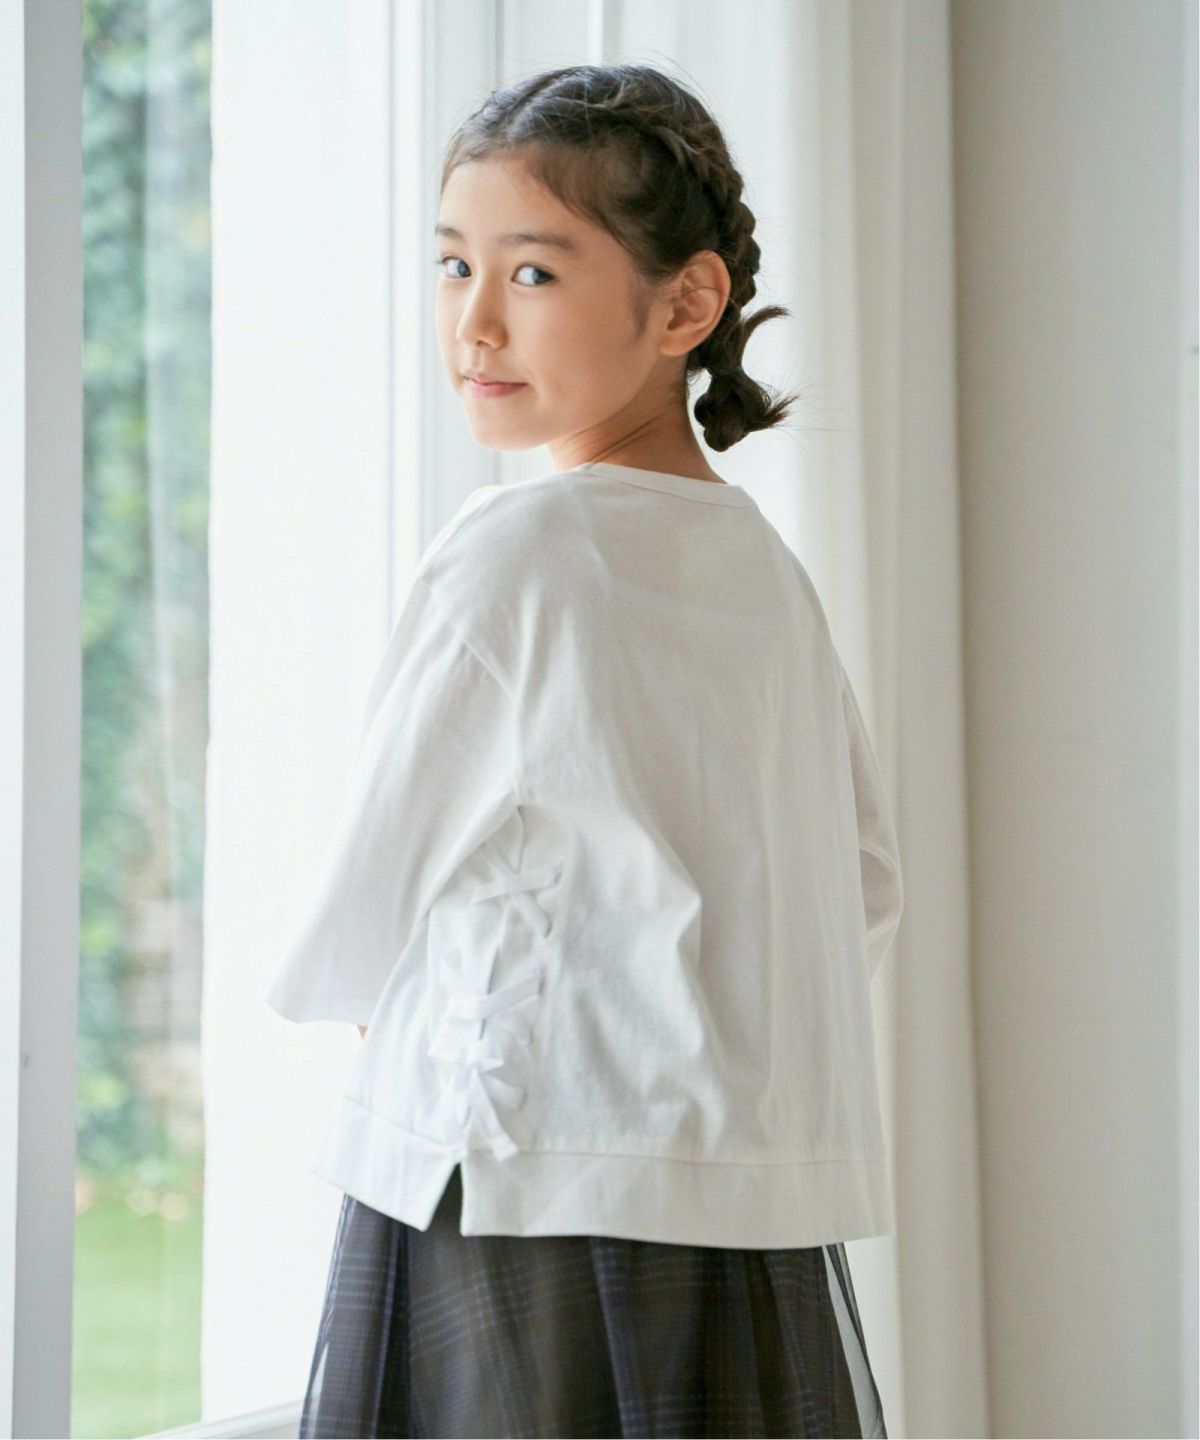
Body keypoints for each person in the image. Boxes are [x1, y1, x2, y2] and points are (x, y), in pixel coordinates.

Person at [265, 60, 903, 1439]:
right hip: (733, 1187)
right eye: (454, 265)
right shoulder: (764, 570)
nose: (475, 323)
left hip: (513, 1170)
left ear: (685, 304)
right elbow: (860, 880)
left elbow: (372, 892)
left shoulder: (519, 547)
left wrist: (386, 1011)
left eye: (534, 273)